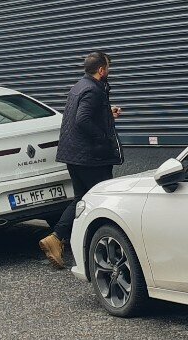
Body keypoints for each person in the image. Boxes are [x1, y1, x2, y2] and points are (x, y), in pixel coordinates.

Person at [39, 51, 122, 268]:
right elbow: (82, 119)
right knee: (102, 200)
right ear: (102, 70)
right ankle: (105, 249)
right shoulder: (94, 90)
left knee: (81, 198)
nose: (109, 71)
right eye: (109, 67)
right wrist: (103, 136)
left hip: (73, 154)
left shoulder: (79, 86)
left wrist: (106, 114)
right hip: (90, 157)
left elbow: (84, 114)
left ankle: (56, 239)